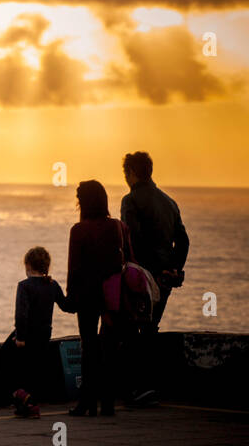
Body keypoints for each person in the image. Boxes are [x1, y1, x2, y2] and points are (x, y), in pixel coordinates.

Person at [119, 151, 189, 406]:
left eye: (126, 173)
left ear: (133, 173)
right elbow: (183, 240)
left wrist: (139, 270)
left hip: (143, 277)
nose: (126, 178)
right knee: (150, 328)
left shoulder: (131, 200)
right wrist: (174, 268)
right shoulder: (169, 202)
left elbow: (132, 239)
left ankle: (135, 388)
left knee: (131, 329)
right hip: (165, 278)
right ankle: (149, 386)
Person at [66, 180, 130, 417]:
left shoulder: (79, 230)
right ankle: (108, 403)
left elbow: (74, 269)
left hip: (86, 297)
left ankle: (87, 402)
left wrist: (70, 298)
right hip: (112, 295)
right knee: (110, 348)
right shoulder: (117, 227)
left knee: (89, 348)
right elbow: (126, 262)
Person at [5, 246, 71, 418]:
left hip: (27, 334)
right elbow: (66, 306)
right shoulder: (52, 284)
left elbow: (21, 315)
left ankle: (24, 398)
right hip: (44, 334)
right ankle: (28, 406)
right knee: (32, 369)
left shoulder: (24, 286)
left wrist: (20, 337)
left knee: (2, 361)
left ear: (27, 265)